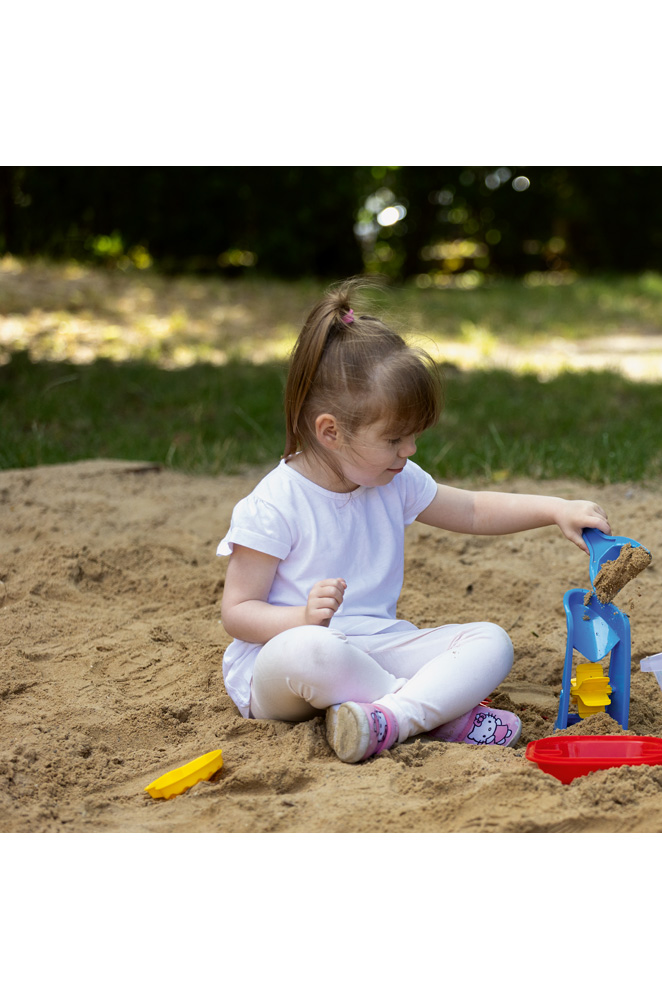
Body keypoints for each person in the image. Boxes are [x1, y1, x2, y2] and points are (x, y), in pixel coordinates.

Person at [217, 279, 612, 763]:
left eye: (413, 437)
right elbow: (237, 612)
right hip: (284, 666)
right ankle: (433, 714)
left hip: (378, 647)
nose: (410, 450)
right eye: (394, 439)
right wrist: (299, 619)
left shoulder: (393, 478)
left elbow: (471, 509)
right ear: (330, 432)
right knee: (313, 651)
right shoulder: (275, 503)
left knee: (490, 642)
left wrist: (554, 509)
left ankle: (389, 718)